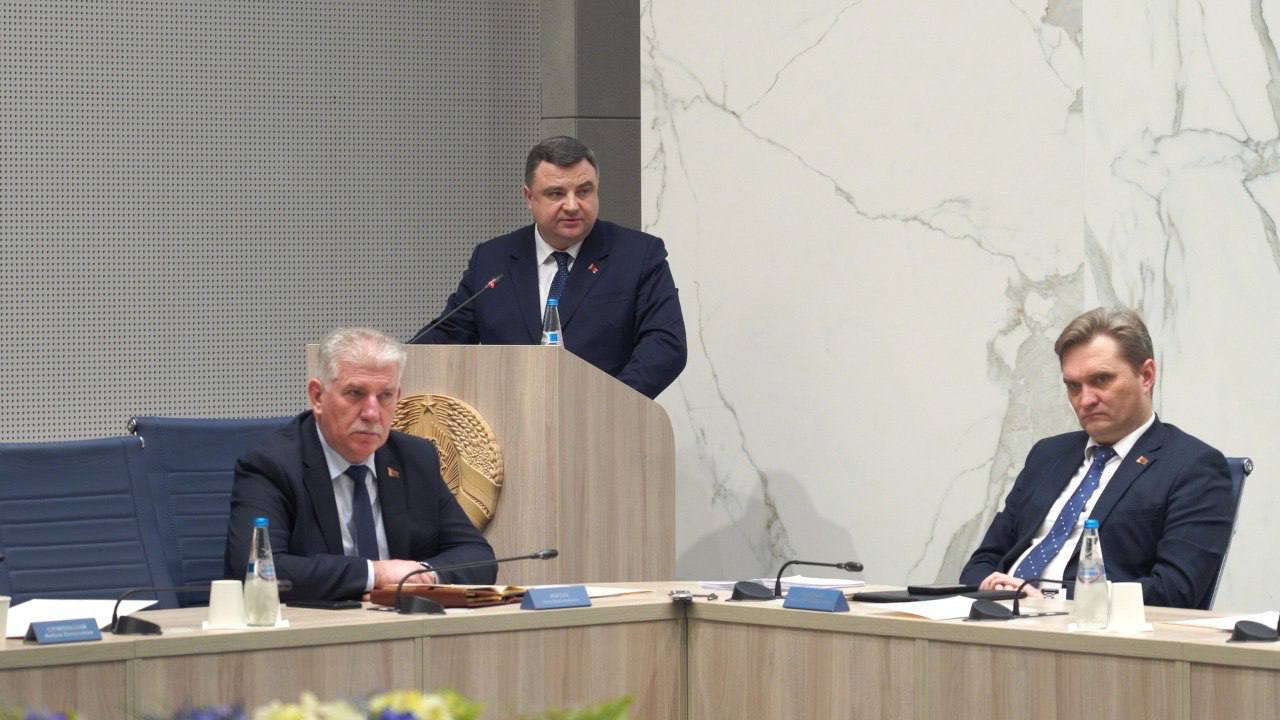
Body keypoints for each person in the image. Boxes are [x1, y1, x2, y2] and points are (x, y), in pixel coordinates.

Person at [959, 307, 1233, 609]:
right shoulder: (1047, 456)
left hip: (1091, 630)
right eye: (1073, 386)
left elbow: (1175, 591)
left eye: (1101, 380)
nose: (1085, 400)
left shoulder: (1193, 467)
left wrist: (1051, 601)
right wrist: (993, 587)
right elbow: (982, 562)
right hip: (999, 617)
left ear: (1146, 376)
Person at [224, 328, 496, 601]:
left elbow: (478, 556)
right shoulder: (272, 465)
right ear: (317, 396)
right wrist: (375, 574)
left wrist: (420, 576)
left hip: (399, 621)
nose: (371, 413)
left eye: (385, 396)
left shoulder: (415, 458)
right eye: (355, 393)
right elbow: (257, 570)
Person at [410, 136, 687, 399]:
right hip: (510, 419)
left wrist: (610, 402)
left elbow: (665, 345)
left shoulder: (637, 255)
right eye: (556, 193)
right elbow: (448, 336)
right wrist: (392, 360)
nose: (572, 205)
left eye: (584, 191)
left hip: (605, 420)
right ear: (529, 197)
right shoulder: (493, 259)